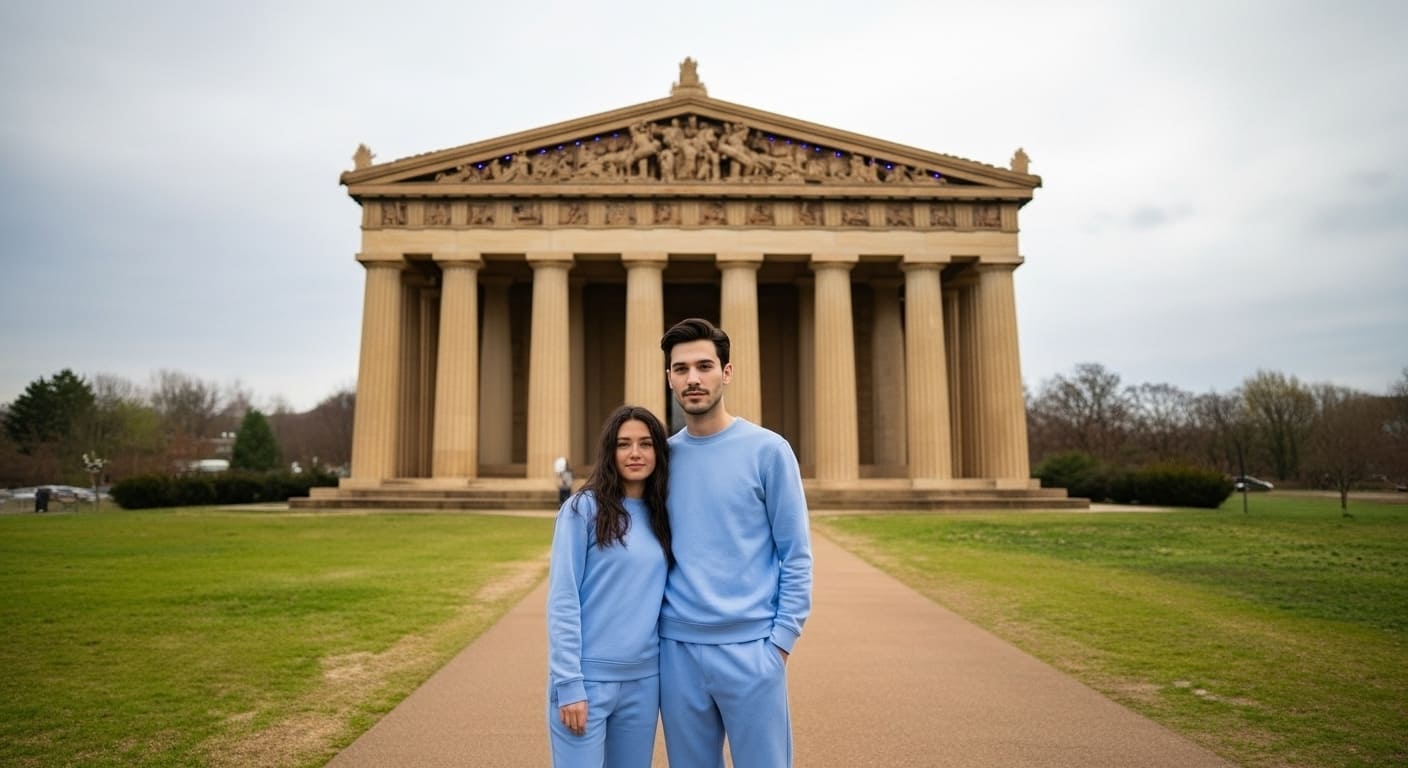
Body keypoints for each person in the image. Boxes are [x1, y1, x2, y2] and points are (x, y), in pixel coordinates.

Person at [657, 318, 813, 768]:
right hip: (678, 652)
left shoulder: (768, 451)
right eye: (681, 369)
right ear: (669, 378)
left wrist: (780, 643)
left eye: (704, 366)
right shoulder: (663, 460)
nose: (692, 378)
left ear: (726, 372)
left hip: (753, 651)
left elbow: (796, 553)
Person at [546, 405, 674, 768]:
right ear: (610, 451)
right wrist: (568, 683)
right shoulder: (581, 510)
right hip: (585, 681)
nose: (635, 453)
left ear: (658, 452)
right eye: (624, 444)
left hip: (643, 682)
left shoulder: (663, 515)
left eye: (646, 444)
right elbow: (563, 598)